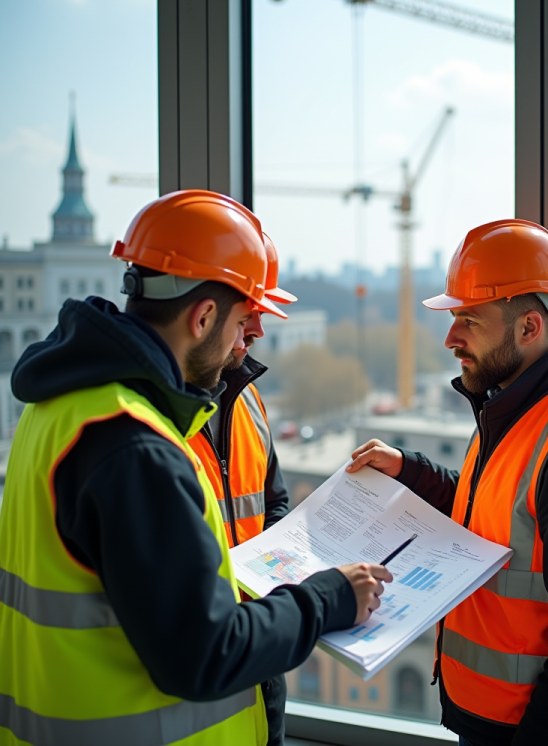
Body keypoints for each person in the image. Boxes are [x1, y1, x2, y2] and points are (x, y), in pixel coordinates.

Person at [0, 189, 391, 746]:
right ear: (203, 315)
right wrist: (330, 599)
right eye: (242, 320)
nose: (248, 337)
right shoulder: (136, 445)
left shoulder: (57, 406)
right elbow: (204, 653)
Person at [348, 219, 548, 746]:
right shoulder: (511, 412)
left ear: (529, 327)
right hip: (493, 724)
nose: (450, 338)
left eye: (468, 319)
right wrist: (409, 469)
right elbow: (486, 512)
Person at [187, 229, 297, 746]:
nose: (258, 327)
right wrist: (325, 600)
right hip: (206, 672)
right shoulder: (145, 430)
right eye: (248, 310)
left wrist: (275, 570)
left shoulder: (245, 397)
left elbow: (272, 500)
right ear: (202, 315)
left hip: (258, 653)